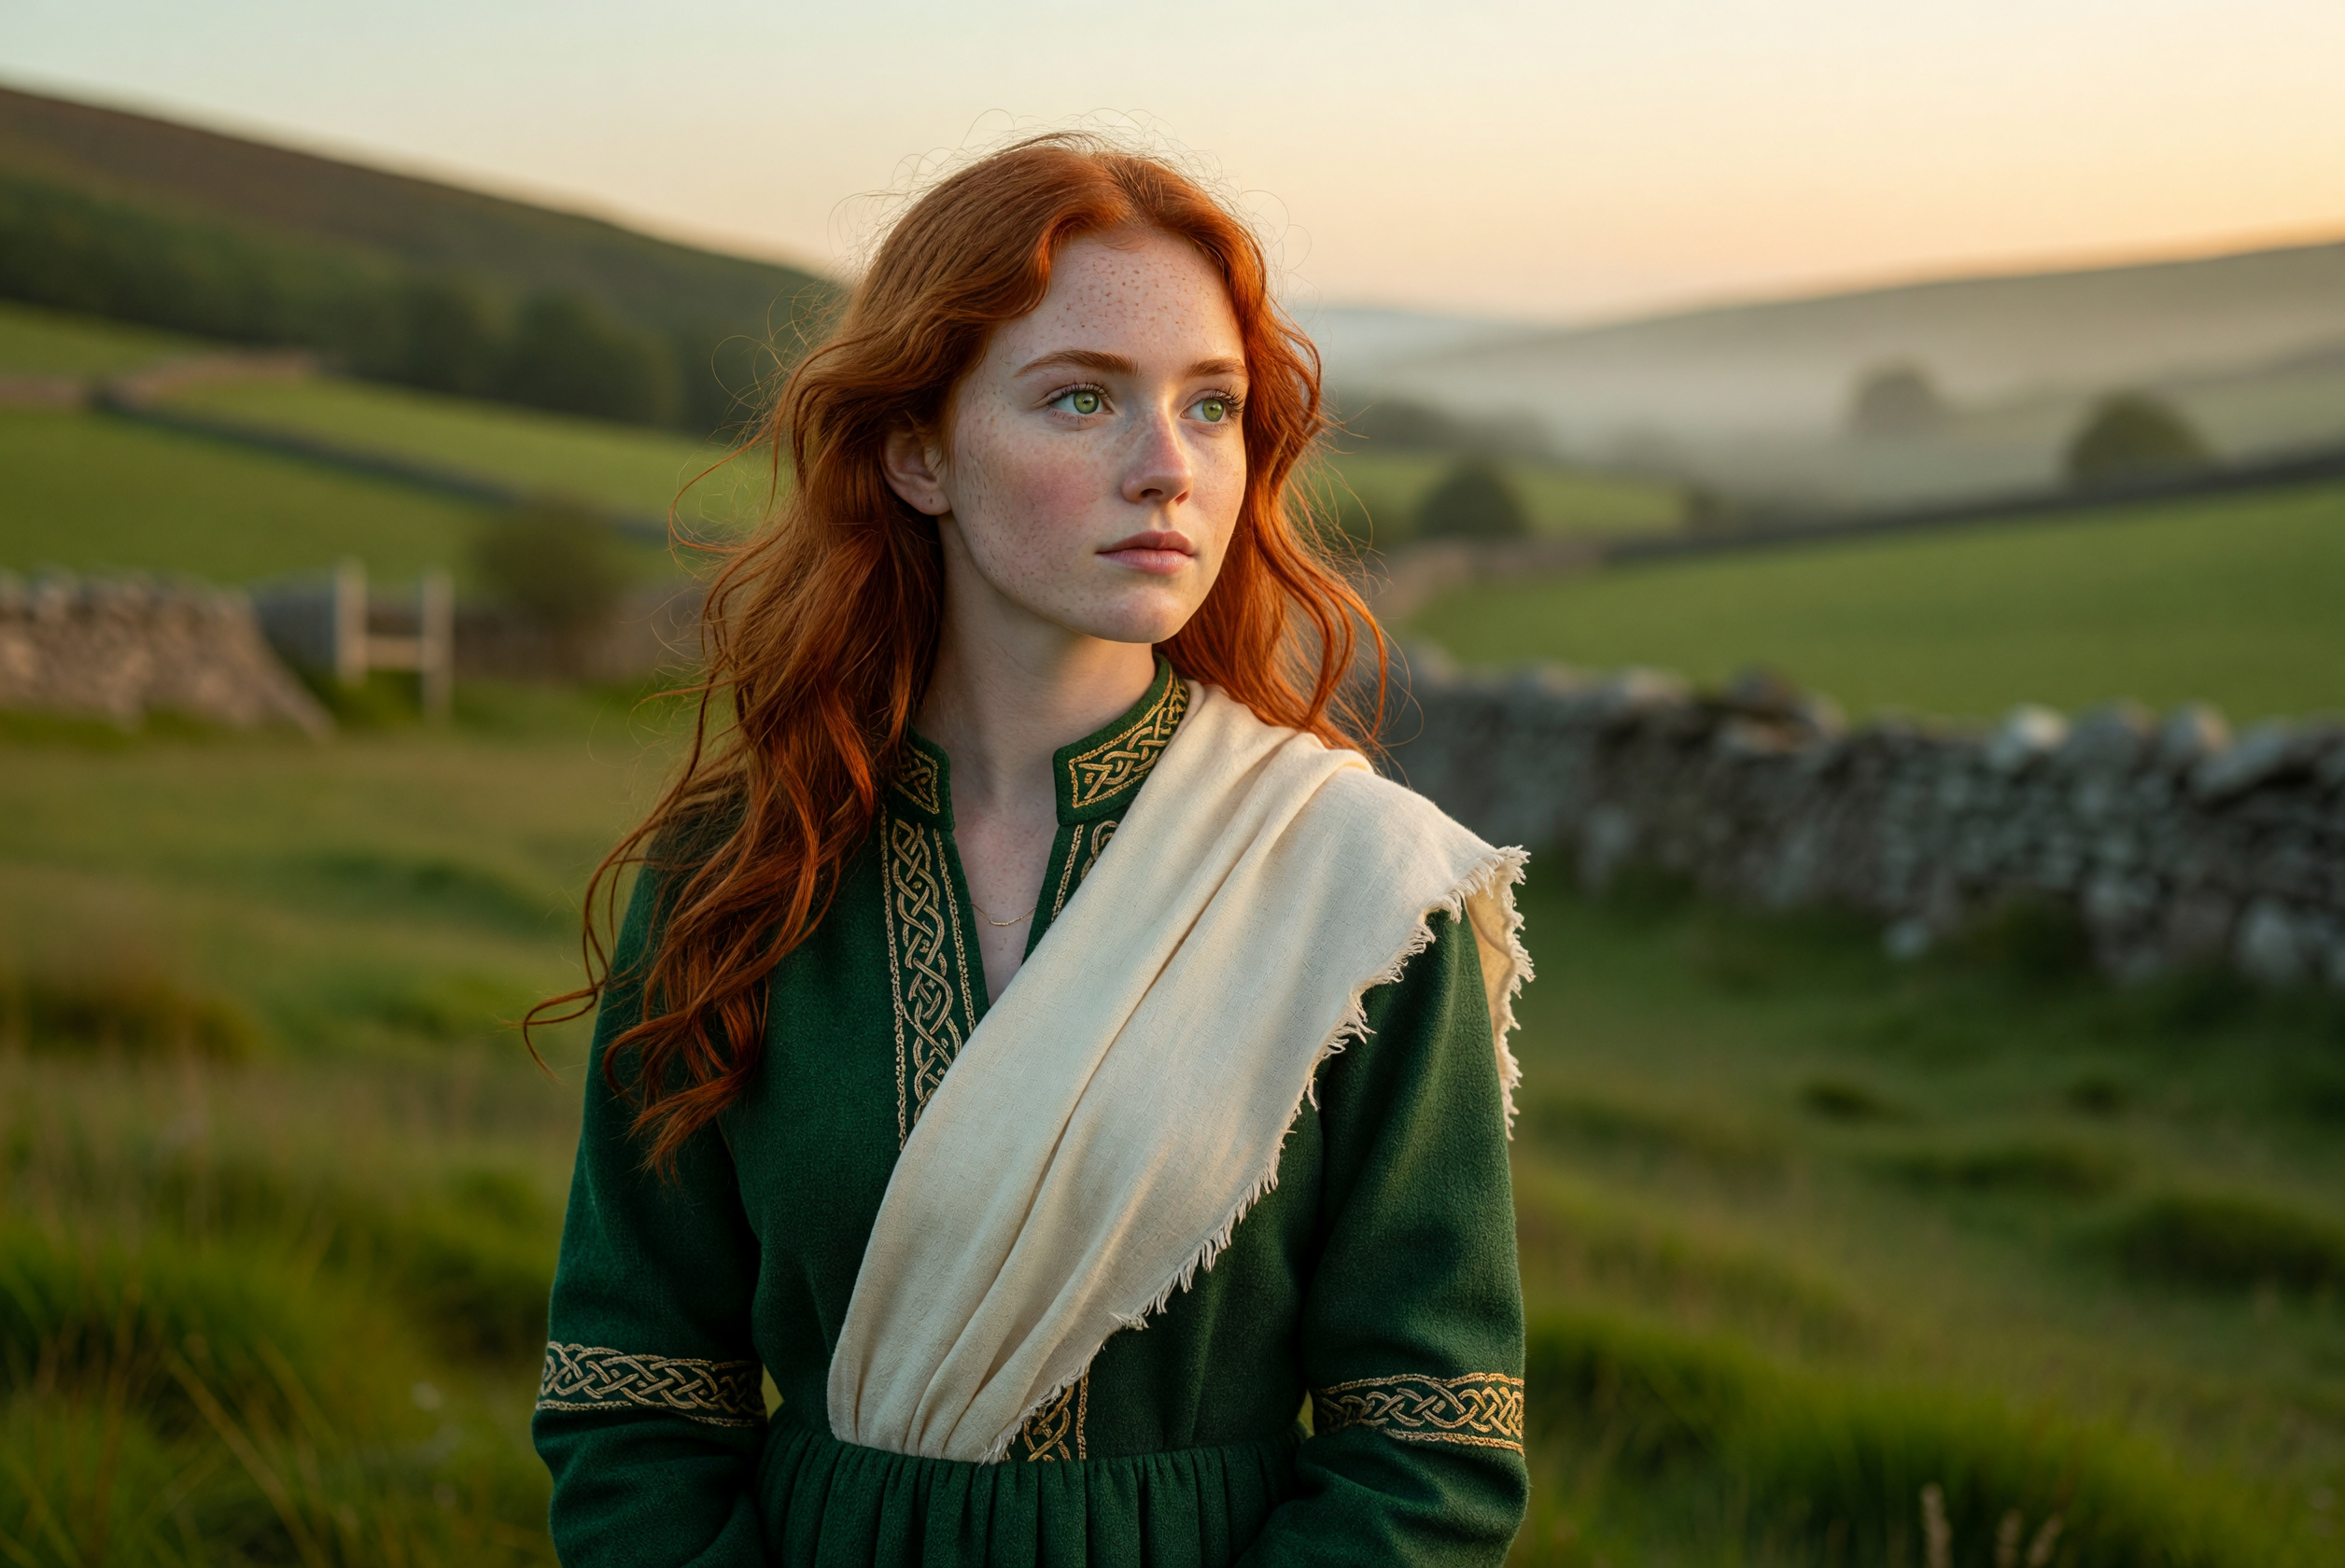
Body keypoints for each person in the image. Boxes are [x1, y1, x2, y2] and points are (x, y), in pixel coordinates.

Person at [530, 133, 1532, 1567]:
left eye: (1212, 406)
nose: (1168, 469)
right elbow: (636, 1398)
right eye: (1081, 398)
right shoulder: (739, 870)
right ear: (918, 451)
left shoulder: (1363, 891)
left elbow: (1429, 1447)